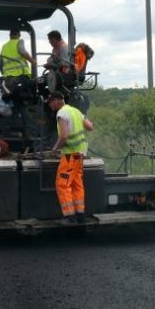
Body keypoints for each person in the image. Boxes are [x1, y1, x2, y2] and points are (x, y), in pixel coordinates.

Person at [47, 91, 94, 224]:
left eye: (50, 102)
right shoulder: (76, 111)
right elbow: (90, 127)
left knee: (62, 184)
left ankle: (69, 217)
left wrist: (55, 149)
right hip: (80, 154)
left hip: (69, 156)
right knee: (76, 183)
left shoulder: (62, 113)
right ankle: (80, 214)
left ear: (56, 100)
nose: (50, 105)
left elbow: (64, 136)